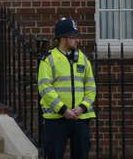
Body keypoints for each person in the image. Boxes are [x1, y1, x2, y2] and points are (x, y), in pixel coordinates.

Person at [38, 17, 97, 159]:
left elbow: (91, 87)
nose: (77, 40)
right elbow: (45, 88)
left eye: (77, 36)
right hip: (56, 118)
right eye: (73, 36)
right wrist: (63, 110)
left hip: (80, 117)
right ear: (62, 38)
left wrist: (82, 107)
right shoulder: (49, 59)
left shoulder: (83, 59)